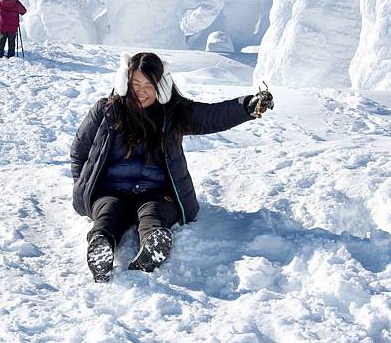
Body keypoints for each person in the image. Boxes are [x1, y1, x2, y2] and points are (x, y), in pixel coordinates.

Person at [71, 52, 274, 282]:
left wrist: (247, 106)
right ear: (124, 83)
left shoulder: (173, 113)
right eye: (135, 83)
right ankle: (100, 246)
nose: (141, 91)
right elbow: (79, 150)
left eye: (149, 85)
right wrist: (83, 185)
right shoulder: (106, 110)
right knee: (108, 214)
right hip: (111, 191)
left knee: (154, 214)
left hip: (156, 192)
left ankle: (154, 243)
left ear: (162, 86)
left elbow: (211, 116)